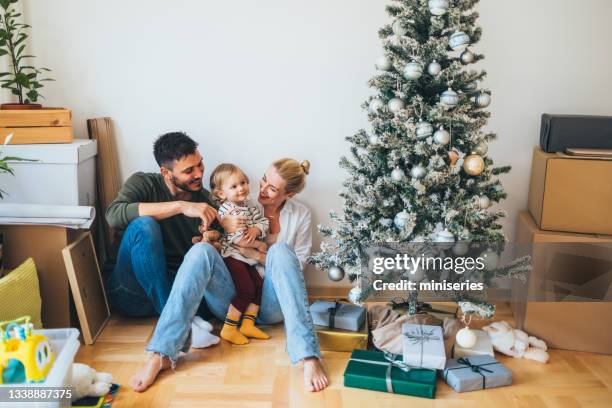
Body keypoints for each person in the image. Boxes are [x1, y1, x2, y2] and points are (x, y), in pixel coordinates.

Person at [129, 158, 329, 393]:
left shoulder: (301, 214)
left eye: (272, 188)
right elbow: (223, 241)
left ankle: (307, 355)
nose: (262, 189)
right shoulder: (241, 203)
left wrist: (255, 252)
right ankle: (161, 353)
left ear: (290, 194)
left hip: (272, 302)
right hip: (233, 299)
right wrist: (220, 236)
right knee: (200, 250)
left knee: (282, 251)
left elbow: (298, 265)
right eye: (264, 180)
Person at [105, 131, 220, 348]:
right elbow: (113, 214)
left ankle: (182, 318)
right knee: (144, 225)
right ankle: (179, 323)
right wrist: (180, 207)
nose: (199, 174)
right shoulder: (144, 183)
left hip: (176, 288)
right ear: (166, 172)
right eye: (189, 170)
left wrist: (211, 243)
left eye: (200, 165)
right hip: (132, 292)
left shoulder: (206, 202)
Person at [208, 163, 270, 345]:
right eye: (234, 186)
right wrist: (259, 244)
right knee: (246, 289)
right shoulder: (229, 210)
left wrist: (257, 230)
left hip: (247, 257)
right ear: (221, 193)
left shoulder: (249, 205)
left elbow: (263, 222)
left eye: (243, 182)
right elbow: (238, 239)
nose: (241, 188)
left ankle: (248, 324)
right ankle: (229, 327)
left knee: (259, 285)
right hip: (234, 256)